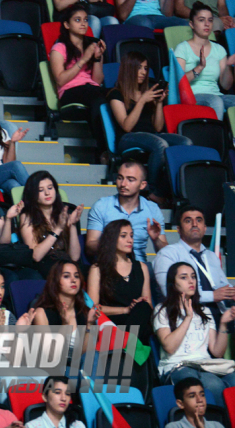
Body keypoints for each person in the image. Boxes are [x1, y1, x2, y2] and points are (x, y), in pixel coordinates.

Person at [108, 52, 192, 204]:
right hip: (128, 138)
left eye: (146, 68)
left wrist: (159, 103)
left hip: (150, 135)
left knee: (185, 144)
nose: (143, 72)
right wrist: (142, 101)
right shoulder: (116, 94)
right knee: (160, 144)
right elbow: (126, 126)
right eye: (139, 68)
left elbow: (158, 127)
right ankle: (151, 190)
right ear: (129, 69)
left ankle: (162, 190)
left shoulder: (148, 93)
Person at [153, 262, 235, 407]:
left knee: (233, 380)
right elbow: (170, 347)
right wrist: (188, 317)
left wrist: (223, 323)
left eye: (193, 277)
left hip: (205, 364)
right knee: (213, 384)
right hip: (177, 366)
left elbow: (217, 351)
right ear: (173, 284)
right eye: (183, 278)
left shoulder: (204, 310)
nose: (191, 281)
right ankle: (218, 427)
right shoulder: (162, 310)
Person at [154, 205, 235, 324]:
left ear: (205, 227)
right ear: (178, 229)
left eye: (199, 220)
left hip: (219, 314)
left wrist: (232, 293)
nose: (195, 224)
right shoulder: (167, 254)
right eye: (188, 221)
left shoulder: (211, 256)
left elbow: (224, 286)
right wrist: (212, 296)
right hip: (188, 315)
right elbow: (170, 292)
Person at [50, 4, 107, 163]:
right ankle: (103, 151)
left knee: (114, 97)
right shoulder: (58, 48)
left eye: (85, 20)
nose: (83, 24)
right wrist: (84, 59)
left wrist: (96, 58)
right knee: (98, 99)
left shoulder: (92, 46)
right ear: (67, 25)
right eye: (77, 20)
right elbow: (61, 79)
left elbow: (97, 80)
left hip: (91, 90)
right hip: (70, 92)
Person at [86, 161, 168, 262]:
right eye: (120, 178)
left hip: (140, 267)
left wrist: (156, 240)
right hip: (109, 265)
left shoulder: (153, 209)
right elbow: (90, 246)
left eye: (130, 179)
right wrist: (114, 244)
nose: (123, 184)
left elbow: (165, 252)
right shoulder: (101, 206)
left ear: (142, 185)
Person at [87, 219, 154, 341]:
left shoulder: (142, 267)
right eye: (124, 236)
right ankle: (131, 346)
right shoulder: (97, 269)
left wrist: (138, 305)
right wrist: (126, 309)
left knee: (143, 307)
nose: (130, 240)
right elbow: (94, 308)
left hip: (139, 320)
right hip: (112, 323)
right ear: (111, 239)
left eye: (131, 236)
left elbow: (148, 304)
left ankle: (129, 344)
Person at [175, 2, 235, 120]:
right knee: (216, 102)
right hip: (192, 96)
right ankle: (217, 137)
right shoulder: (182, 48)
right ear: (192, 24)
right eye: (201, 20)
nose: (207, 24)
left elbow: (226, 86)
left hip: (216, 95)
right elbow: (179, 82)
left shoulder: (219, 49)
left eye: (210, 20)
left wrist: (228, 65)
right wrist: (199, 68)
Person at [19, 171, 83, 279]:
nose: (47, 193)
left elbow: (75, 257)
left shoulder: (63, 213)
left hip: (66, 264)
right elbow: (36, 256)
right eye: (40, 190)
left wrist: (72, 225)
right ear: (33, 194)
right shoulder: (27, 217)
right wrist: (58, 229)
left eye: (50, 188)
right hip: (44, 265)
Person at [33, 260, 99, 357]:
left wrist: (89, 325)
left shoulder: (85, 311)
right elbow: (49, 356)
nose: (73, 280)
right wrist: (65, 325)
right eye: (66, 276)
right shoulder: (41, 313)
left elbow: (86, 354)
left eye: (76, 276)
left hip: (78, 366)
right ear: (55, 281)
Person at [52, 0, 119, 37]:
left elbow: (99, 1)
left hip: (91, 12)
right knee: (94, 21)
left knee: (112, 21)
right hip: (69, 15)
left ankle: (113, 58)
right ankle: (90, 55)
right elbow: (59, 6)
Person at [117, 0, 189, 27]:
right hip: (135, 17)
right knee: (145, 24)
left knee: (184, 24)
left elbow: (167, 14)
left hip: (157, 16)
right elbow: (123, 15)